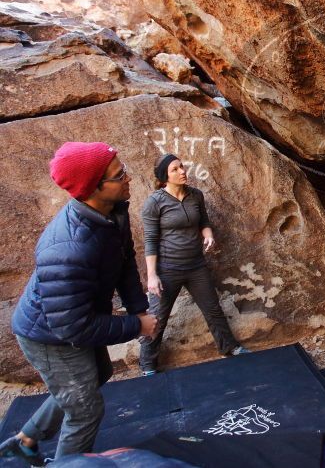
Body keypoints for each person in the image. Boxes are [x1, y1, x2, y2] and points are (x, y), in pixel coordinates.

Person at [1, 142, 158, 465]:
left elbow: (124, 260)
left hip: (72, 320)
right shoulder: (68, 247)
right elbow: (72, 326)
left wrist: (138, 309)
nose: (128, 178)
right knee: (85, 408)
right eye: (119, 175)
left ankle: (26, 439)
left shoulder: (112, 212)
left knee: (98, 373)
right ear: (93, 188)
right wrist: (135, 326)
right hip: (49, 335)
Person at [139, 154, 248, 376]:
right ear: (164, 177)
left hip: (196, 266)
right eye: (175, 169)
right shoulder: (154, 202)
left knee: (213, 309)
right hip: (167, 270)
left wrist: (208, 235)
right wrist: (152, 276)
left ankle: (230, 347)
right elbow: (150, 240)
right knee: (156, 319)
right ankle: (148, 365)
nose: (182, 171)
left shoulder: (195, 195)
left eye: (182, 166)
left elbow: (204, 222)